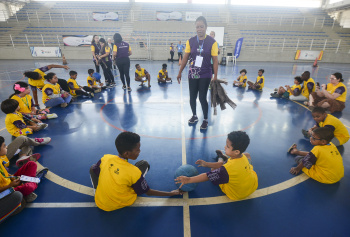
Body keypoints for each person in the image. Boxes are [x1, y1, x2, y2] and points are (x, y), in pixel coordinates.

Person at [90, 132, 183, 211]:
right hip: (121, 203)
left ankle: (96, 191)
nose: (140, 151)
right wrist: (171, 193)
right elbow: (148, 192)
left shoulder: (105, 158)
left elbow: (94, 171)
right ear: (127, 153)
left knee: (93, 167)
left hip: (99, 201)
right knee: (144, 164)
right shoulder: (134, 172)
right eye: (137, 150)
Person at [175, 131, 258, 200]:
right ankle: (224, 158)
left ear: (236, 151)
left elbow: (207, 176)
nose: (225, 147)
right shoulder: (242, 157)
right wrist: (206, 164)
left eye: (228, 146)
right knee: (247, 155)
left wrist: (189, 180)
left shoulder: (226, 170)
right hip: (253, 186)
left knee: (213, 169)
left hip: (237, 194)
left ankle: (221, 158)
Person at [177, 16, 219, 130]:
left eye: (201, 26)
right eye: (197, 27)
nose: (199, 29)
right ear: (195, 28)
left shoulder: (212, 42)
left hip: (205, 74)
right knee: (192, 97)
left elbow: (215, 60)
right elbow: (185, 58)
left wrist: (215, 76)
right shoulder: (190, 41)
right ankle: (194, 116)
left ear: (206, 27)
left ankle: (205, 119)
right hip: (193, 73)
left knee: (202, 97)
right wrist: (180, 72)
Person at [0, 136, 49, 204]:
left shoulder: (0, 159)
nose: (6, 147)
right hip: (6, 190)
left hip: (10, 182)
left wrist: (12, 177)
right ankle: (36, 180)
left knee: (32, 164)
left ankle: (29, 184)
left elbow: (4, 174)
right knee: (28, 188)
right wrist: (10, 185)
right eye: (4, 146)